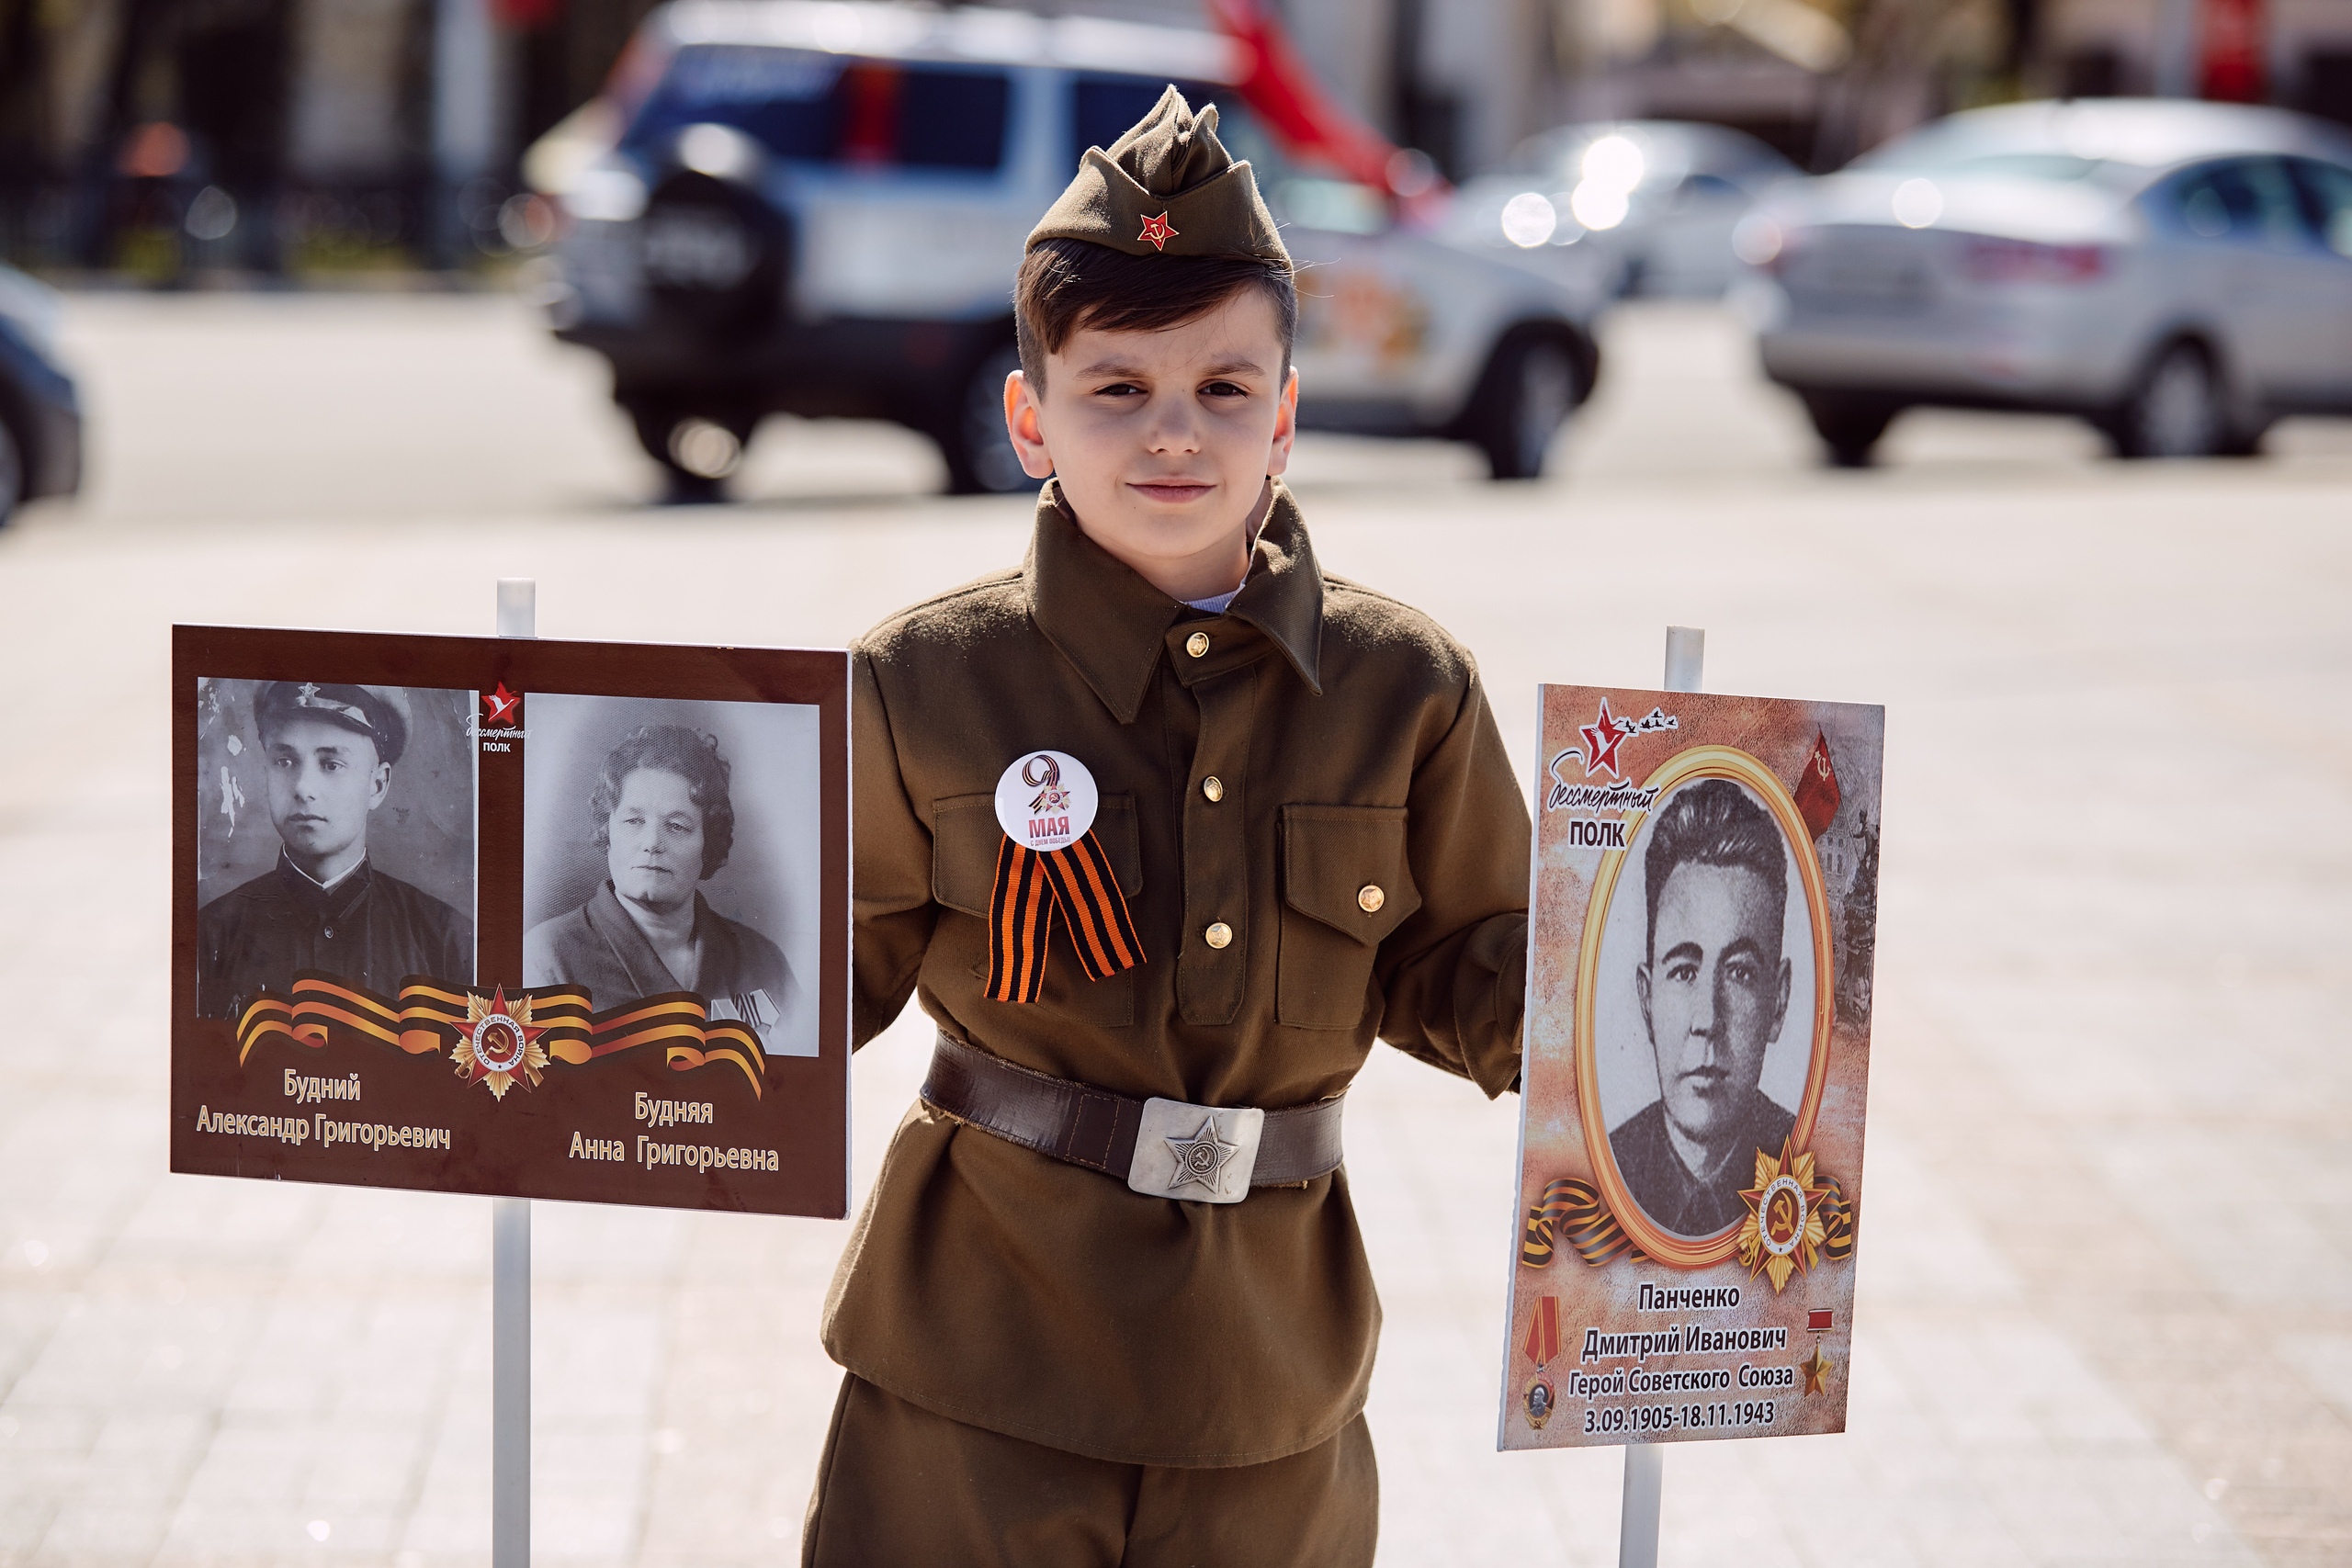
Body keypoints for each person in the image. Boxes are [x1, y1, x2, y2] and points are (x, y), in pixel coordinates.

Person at [805, 89, 1531, 1567]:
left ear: (1288, 415)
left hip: (1269, 1376)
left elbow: (1476, 964)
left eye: (1224, 386)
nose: (1175, 432)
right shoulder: (921, 680)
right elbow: (799, 978)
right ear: (1030, 419)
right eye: (1117, 388)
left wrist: (1641, 1016)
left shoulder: (1403, 687)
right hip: (973, 1366)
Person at [196, 682, 471, 1020]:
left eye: (331, 764)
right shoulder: (211, 936)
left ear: (377, 785)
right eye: (284, 761)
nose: (303, 788)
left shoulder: (446, 942)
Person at [523, 723, 799, 1043]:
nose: (652, 843)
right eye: (634, 821)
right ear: (608, 831)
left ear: (708, 843)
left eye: (677, 826)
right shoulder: (547, 958)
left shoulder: (763, 960)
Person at [1608, 778, 1799, 1237]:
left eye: (1740, 972)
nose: (1708, 1021)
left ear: (1778, 1002)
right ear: (1646, 999)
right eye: (1683, 972)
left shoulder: (1814, 1159)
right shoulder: (1605, 1171)